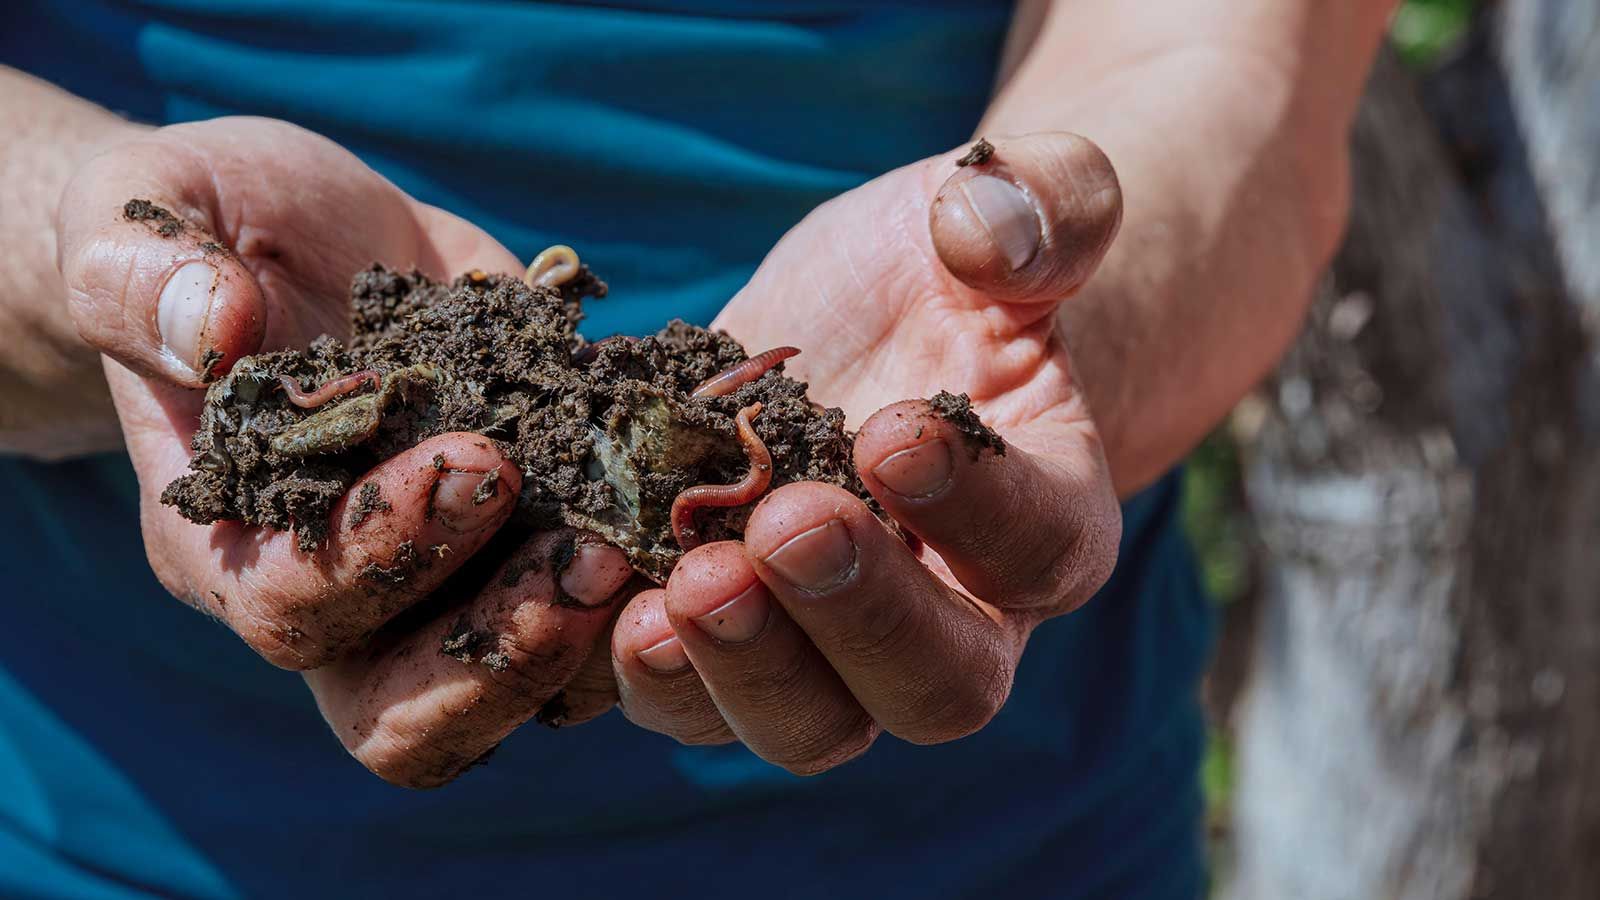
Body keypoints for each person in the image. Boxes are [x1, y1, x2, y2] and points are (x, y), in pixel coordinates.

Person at [0, 1, 1395, 896]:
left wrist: (1048, 322)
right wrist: (85, 258)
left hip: (1003, 843)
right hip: (136, 843)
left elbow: (1236, 59)